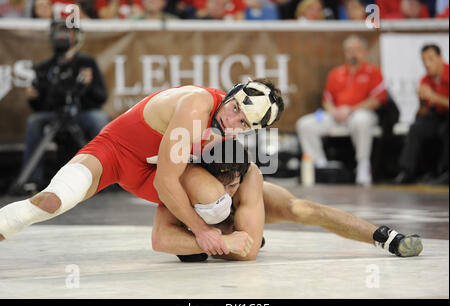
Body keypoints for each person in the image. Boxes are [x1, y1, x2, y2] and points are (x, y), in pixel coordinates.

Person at [0, 78, 285, 259]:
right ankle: (198, 235)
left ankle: (192, 235)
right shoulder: (197, 107)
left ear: (249, 130)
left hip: (156, 170)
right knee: (54, 200)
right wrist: (203, 231)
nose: (231, 120)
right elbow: (165, 182)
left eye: (243, 123)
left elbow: (175, 170)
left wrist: (229, 184)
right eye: (235, 108)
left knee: (217, 199)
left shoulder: (226, 130)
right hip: (115, 153)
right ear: (232, 93)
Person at [151, 139, 423, 261]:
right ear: (208, 175)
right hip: (201, 218)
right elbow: (160, 240)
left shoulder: (249, 176)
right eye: (225, 185)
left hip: (240, 214)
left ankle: (386, 238)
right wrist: (220, 241)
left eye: (235, 184)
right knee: (196, 250)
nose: (230, 190)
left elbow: (249, 252)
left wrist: (227, 240)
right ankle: (211, 239)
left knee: (301, 208)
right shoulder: (184, 179)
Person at [22, 20, 109, 191]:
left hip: (82, 113)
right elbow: (40, 106)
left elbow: (101, 98)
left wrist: (88, 86)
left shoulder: (87, 63)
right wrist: (33, 97)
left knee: (98, 118)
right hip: (55, 114)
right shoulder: (45, 67)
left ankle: (106, 174)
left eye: (68, 32)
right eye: (59, 32)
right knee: (34, 121)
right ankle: (32, 179)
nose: (62, 36)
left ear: (76, 36)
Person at [296, 34, 387, 186]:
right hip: (336, 115)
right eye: (349, 50)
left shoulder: (373, 72)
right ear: (345, 53)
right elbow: (326, 100)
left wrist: (351, 110)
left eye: (357, 50)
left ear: (364, 52)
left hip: (361, 113)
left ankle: (363, 165)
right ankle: (320, 165)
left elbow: (377, 100)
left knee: (361, 120)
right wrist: (334, 111)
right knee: (305, 123)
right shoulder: (336, 73)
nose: (353, 53)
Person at [395, 44, 449, 185]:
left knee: (446, 131)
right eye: (424, 60)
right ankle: (408, 171)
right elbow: (423, 112)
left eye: (430, 59)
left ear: (440, 58)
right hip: (437, 115)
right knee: (416, 128)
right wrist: (423, 101)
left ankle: (445, 172)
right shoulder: (425, 80)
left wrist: (434, 96)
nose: (427, 64)